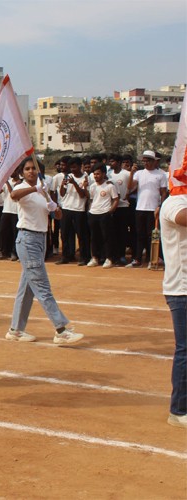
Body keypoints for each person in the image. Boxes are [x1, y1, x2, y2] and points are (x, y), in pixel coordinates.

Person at [6, 157, 84, 345]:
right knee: (42, 288)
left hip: (40, 239)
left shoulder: (44, 190)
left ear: (39, 172)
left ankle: (16, 330)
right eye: (27, 169)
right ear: (22, 172)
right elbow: (14, 197)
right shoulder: (21, 187)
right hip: (28, 240)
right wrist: (35, 189)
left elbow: (57, 215)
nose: (31, 171)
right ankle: (61, 330)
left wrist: (55, 209)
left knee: (27, 289)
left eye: (34, 169)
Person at [159, 169, 187, 429]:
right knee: (185, 349)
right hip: (182, 290)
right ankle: (179, 410)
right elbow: (183, 218)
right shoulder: (174, 201)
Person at [127, 150, 168, 268]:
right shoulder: (139, 173)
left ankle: (152, 259)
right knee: (140, 234)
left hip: (153, 208)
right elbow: (130, 187)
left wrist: (160, 206)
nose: (146, 163)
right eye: (144, 161)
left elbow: (163, 192)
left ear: (154, 161)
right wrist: (131, 173)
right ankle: (138, 259)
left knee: (152, 236)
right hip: (140, 207)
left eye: (148, 160)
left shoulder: (161, 174)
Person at [87, 163, 119, 268]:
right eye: (94, 174)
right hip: (93, 214)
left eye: (98, 174)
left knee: (107, 237)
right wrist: (90, 210)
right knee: (94, 237)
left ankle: (109, 258)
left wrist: (109, 212)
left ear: (104, 174)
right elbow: (91, 200)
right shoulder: (92, 186)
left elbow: (115, 200)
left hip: (105, 214)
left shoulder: (110, 186)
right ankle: (95, 258)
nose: (96, 176)